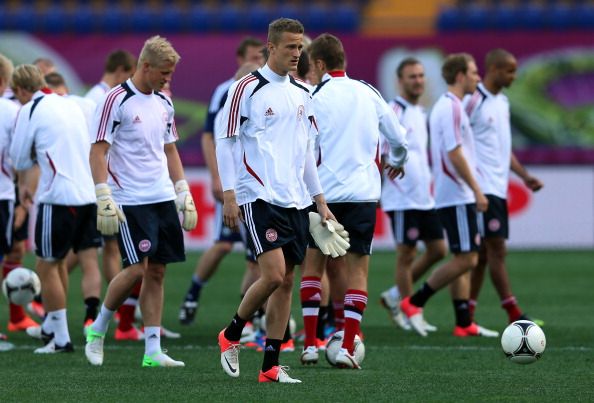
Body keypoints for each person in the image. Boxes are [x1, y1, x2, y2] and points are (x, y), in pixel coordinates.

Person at [215, 18, 344, 384]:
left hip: (295, 200)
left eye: (300, 47)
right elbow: (226, 141)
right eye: (289, 47)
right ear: (270, 48)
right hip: (258, 196)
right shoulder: (246, 88)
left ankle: (270, 366)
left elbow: (306, 153)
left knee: (286, 281)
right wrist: (229, 194)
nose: (296, 53)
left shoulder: (303, 94)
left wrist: (320, 201)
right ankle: (232, 334)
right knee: (271, 274)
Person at [84, 35, 197, 368]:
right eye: (164, 73)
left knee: (158, 272)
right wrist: (102, 193)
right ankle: (98, 329)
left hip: (161, 195)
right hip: (129, 199)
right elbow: (98, 150)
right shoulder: (115, 100)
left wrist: (182, 190)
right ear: (144, 66)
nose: (168, 79)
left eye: (171, 74)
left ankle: (152, 351)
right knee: (136, 269)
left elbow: (170, 148)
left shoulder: (164, 102)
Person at [299, 33, 408, 369]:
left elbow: (302, 146)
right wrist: (398, 160)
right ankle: (347, 346)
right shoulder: (369, 93)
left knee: (313, 267)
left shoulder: (314, 97)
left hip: (323, 196)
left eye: (312, 67)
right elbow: (399, 138)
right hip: (363, 194)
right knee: (357, 269)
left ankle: (311, 345)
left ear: (318, 63)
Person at [399, 53, 499, 338]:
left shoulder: (448, 106)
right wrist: (477, 190)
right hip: (457, 193)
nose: (478, 77)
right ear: (460, 76)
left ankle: (463, 322)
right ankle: (413, 302)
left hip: (454, 193)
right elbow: (454, 153)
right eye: (473, 72)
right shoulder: (451, 108)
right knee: (468, 259)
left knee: (463, 256)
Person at [10, 64, 99, 353]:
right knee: (55, 262)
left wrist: (28, 172)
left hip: (58, 197)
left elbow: (19, 159)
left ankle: (60, 339)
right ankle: (51, 325)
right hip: (87, 195)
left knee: (47, 265)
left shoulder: (31, 109)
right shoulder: (69, 104)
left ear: (22, 90)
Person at [178, 37, 265, 327]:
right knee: (225, 245)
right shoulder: (225, 92)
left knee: (258, 259)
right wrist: (218, 177)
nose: (258, 62)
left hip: (258, 188)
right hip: (236, 185)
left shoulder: (266, 91)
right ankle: (194, 292)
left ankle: (253, 321)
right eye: (253, 57)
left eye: (261, 57)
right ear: (240, 58)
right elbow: (212, 136)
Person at [463, 49, 543, 324]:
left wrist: (524, 175)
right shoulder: (473, 101)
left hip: (498, 186)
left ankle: (468, 313)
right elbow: (456, 139)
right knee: (496, 249)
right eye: (510, 70)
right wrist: (470, 183)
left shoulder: (503, 103)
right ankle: (513, 312)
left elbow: (503, 148)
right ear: (494, 69)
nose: (514, 75)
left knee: (484, 254)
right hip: (482, 188)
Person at [379, 58, 447, 332]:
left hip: (423, 195)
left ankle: (395, 296)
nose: (418, 80)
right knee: (406, 254)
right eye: (411, 77)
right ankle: (409, 311)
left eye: (420, 76)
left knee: (438, 249)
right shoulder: (393, 110)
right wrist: (393, 169)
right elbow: (383, 151)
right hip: (402, 196)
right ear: (400, 81)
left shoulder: (420, 111)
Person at [84, 50, 143, 341]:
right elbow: (96, 147)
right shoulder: (102, 99)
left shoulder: (100, 95)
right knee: (92, 250)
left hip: (104, 186)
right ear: (121, 70)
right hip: (103, 186)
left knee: (102, 248)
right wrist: (101, 189)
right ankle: (105, 310)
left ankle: (115, 307)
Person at [0, 54, 40, 336]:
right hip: (4, 195)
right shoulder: (12, 111)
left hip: (7, 193)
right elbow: (25, 157)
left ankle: (16, 317)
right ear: (5, 81)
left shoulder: (11, 111)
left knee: (14, 250)